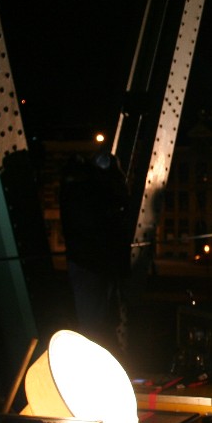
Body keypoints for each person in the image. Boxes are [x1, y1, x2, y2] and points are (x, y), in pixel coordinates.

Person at [59, 145, 132, 353]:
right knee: (100, 321)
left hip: (85, 261)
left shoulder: (75, 190)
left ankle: (94, 351)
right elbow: (120, 202)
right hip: (99, 262)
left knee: (91, 321)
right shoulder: (97, 192)